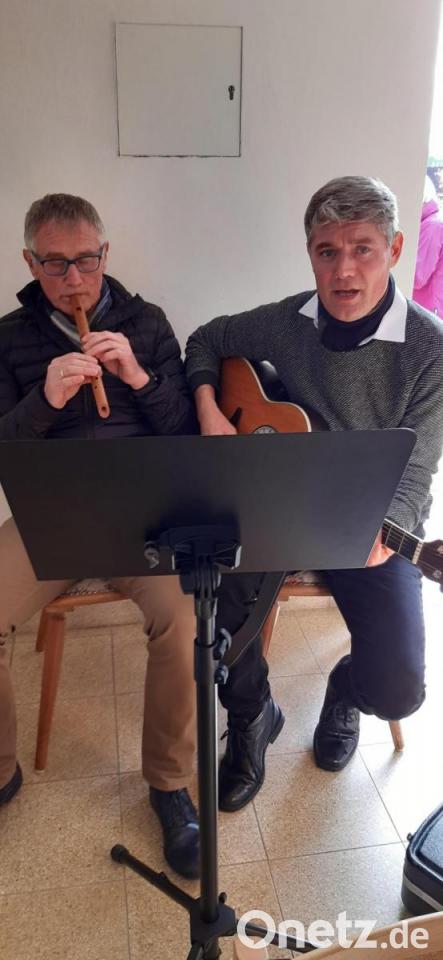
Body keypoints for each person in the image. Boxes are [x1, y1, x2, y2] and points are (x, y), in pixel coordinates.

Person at [0, 193, 283, 879]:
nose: (74, 278)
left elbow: (187, 433)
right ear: (30, 262)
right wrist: (45, 400)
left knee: (186, 621)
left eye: (86, 260)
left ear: (105, 254)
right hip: (53, 512)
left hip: (147, 515)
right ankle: (1, 769)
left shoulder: (147, 323)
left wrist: (136, 374)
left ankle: (169, 785)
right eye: (56, 264)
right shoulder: (9, 338)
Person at [186, 175, 443, 791]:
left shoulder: (430, 349)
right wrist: (210, 410)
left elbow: (416, 467)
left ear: (395, 248)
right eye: (328, 251)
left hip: (372, 521)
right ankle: (252, 715)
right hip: (278, 501)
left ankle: (346, 688)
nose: (344, 270)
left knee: (399, 690)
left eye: (363, 249)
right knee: (220, 610)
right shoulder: (287, 322)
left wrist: (391, 529)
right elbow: (207, 339)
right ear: (310, 254)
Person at [413, 175, 443, 319]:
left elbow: (417, 276)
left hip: (427, 308)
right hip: (432, 306)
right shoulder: (435, 222)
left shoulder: (431, 226)